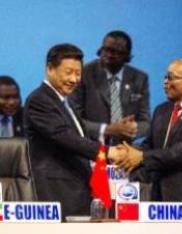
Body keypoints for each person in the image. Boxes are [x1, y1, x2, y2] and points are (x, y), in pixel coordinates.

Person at [114, 59, 182, 220]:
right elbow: (149, 145)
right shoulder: (162, 110)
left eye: (171, 77)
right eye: (165, 77)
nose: (165, 82)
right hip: (162, 198)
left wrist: (142, 157)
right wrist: (127, 152)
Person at [24, 43, 124, 218]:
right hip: (58, 192)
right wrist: (107, 152)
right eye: (68, 72)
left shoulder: (66, 102)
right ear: (50, 69)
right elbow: (66, 138)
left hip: (78, 190)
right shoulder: (39, 100)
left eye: (78, 73)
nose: (74, 79)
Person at [71, 30, 150, 145]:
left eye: (115, 51)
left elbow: (146, 122)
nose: (108, 54)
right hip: (90, 148)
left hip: (124, 150)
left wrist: (130, 129)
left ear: (127, 56)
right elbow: (73, 120)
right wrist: (107, 130)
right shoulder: (84, 74)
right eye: (105, 49)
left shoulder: (139, 78)